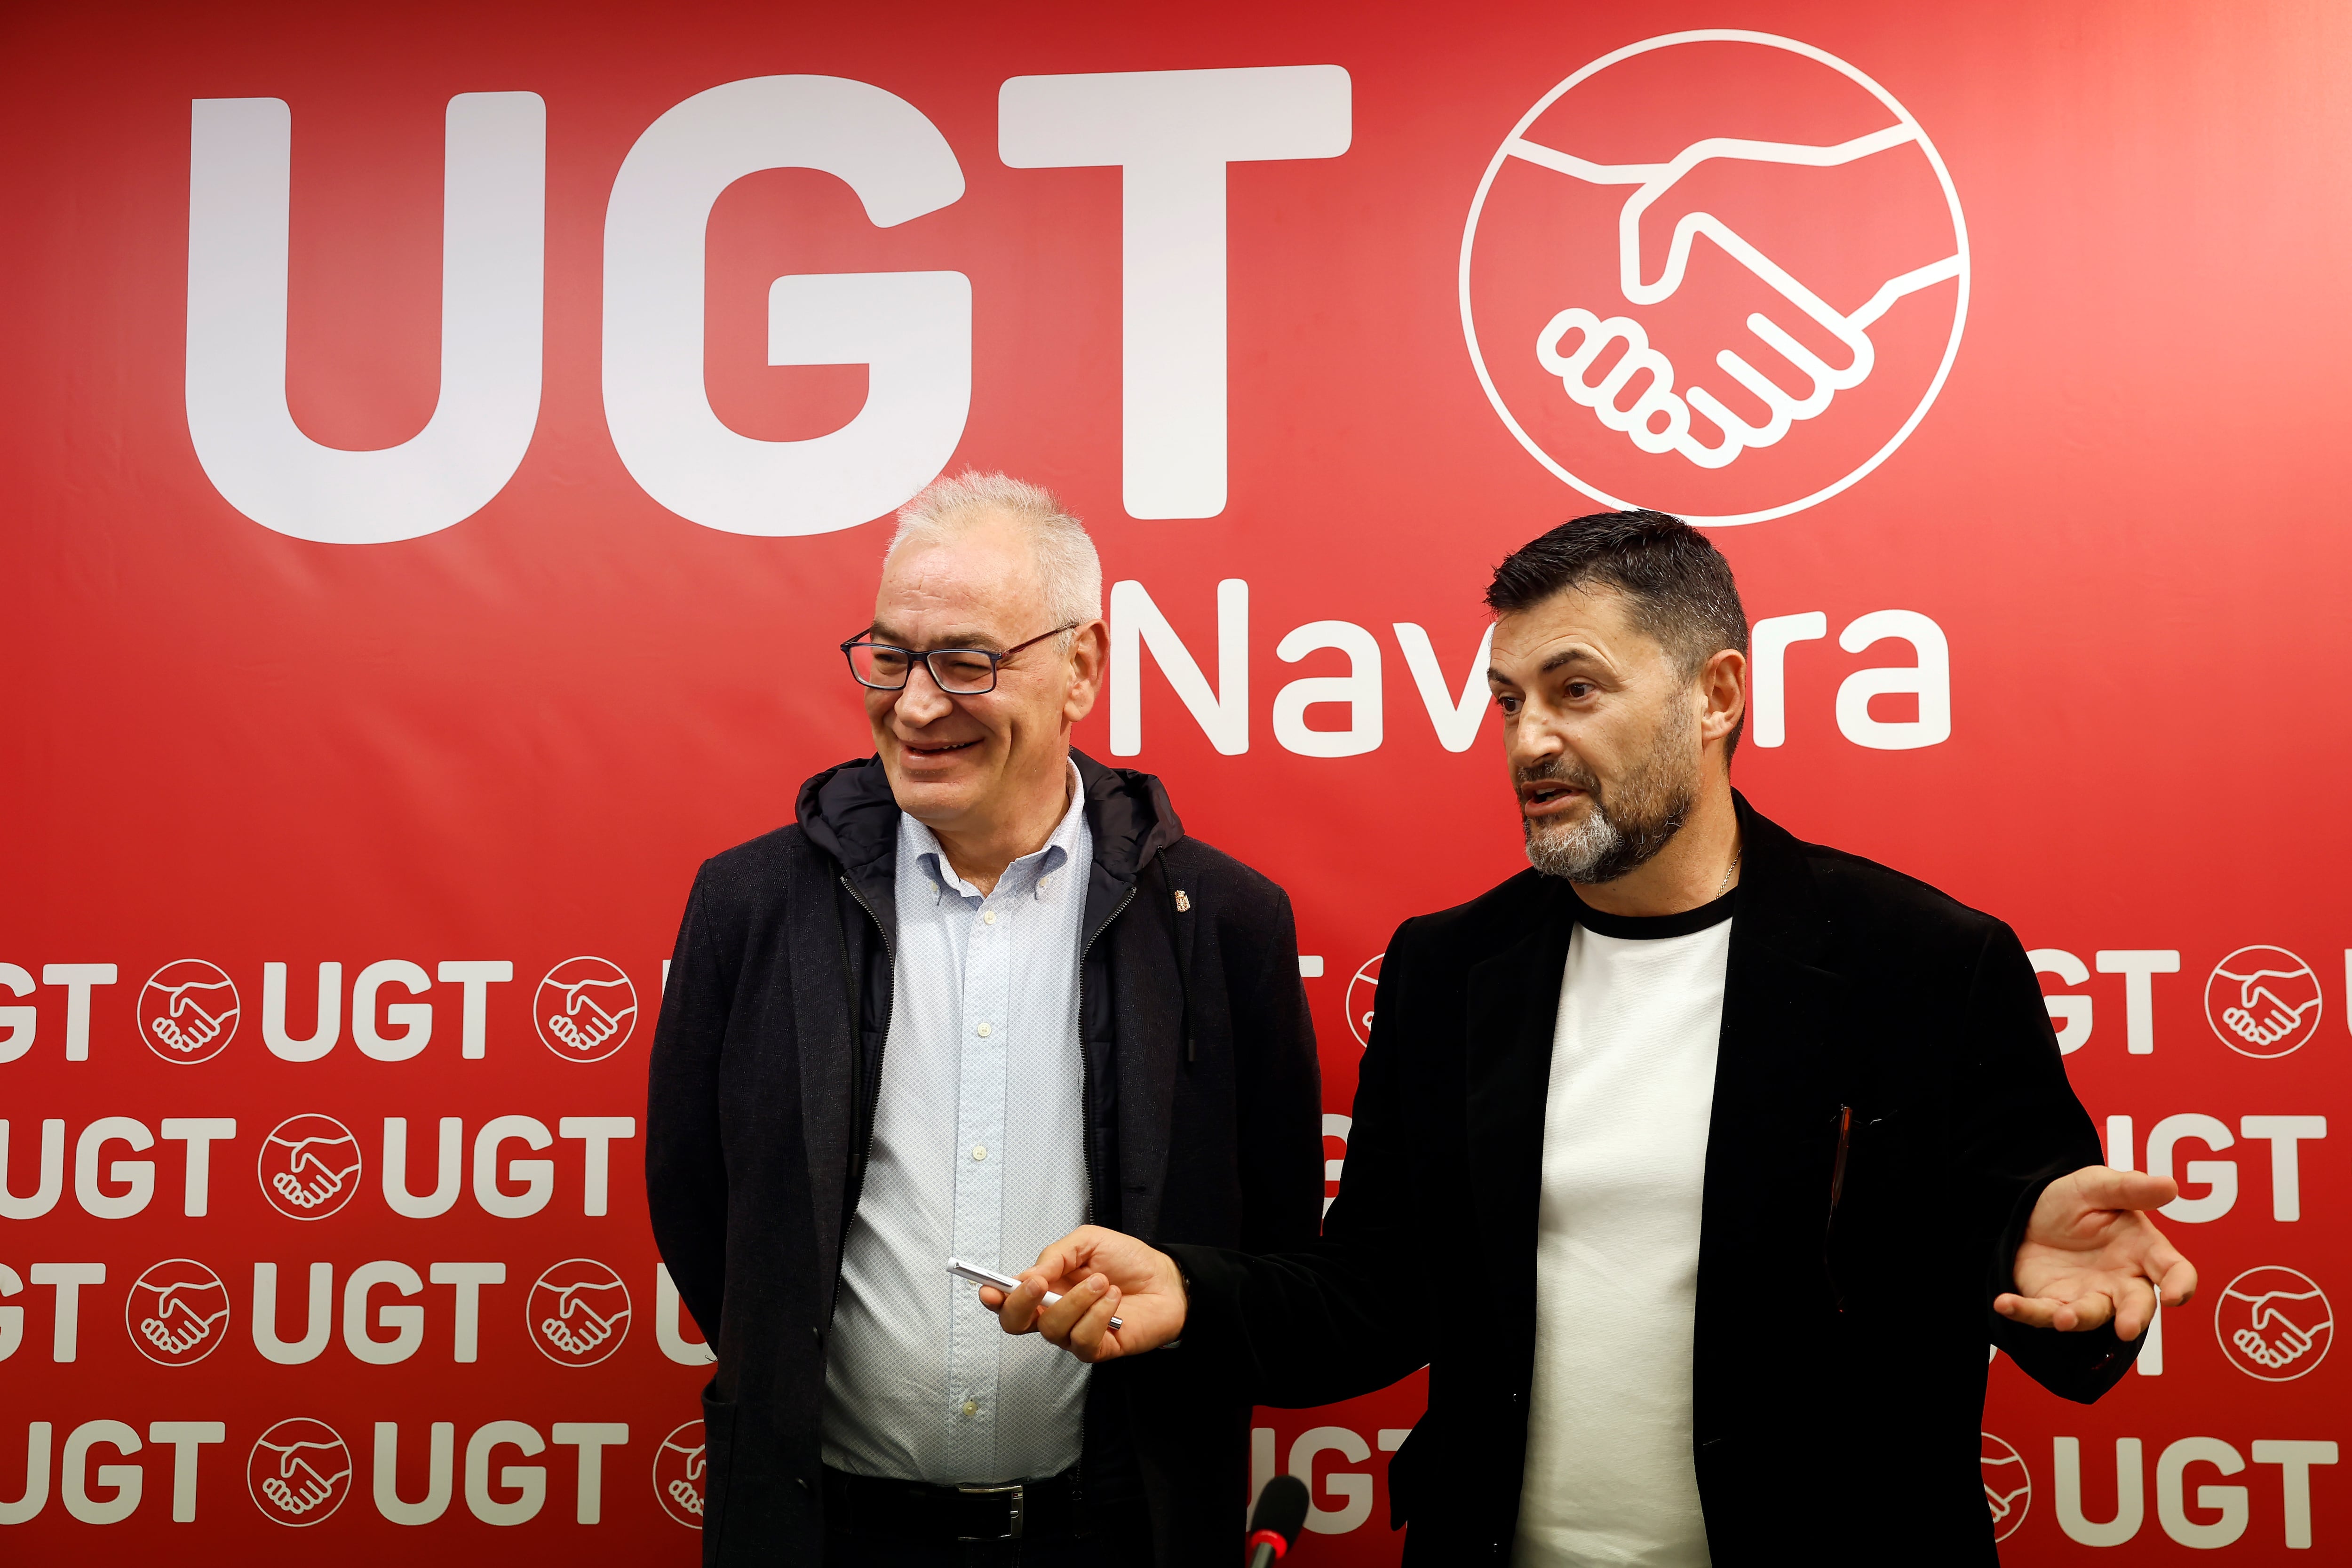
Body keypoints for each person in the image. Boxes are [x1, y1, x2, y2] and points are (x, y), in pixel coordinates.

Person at [985, 510, 2197, 1565]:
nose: (1527, 742)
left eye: (1575, 690)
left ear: (1715, 693)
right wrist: (1191, 1288)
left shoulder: (1922, 962)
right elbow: (1378, 1294)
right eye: (1508, 700)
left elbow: (2042, 1263)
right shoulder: (1452, 968)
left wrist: (2069, 1290)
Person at [646, 472, 1324, 1566]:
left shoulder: (1224, 921)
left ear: (1083, 669)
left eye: (966, 662)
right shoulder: (750, 903)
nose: (915, 705)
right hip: (822, 1537)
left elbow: (1275, 1248)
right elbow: (696, 1199)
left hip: (1115, 1537)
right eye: (890, 655)